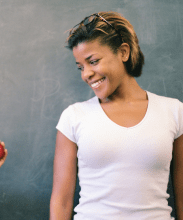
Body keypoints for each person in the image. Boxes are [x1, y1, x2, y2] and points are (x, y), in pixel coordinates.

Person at [49, 11, 183, 220]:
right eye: (80, 67)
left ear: (123, 52)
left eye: (93, 61)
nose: (86, 74)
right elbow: (61, 201)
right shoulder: (74, 117)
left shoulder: (174, 112)